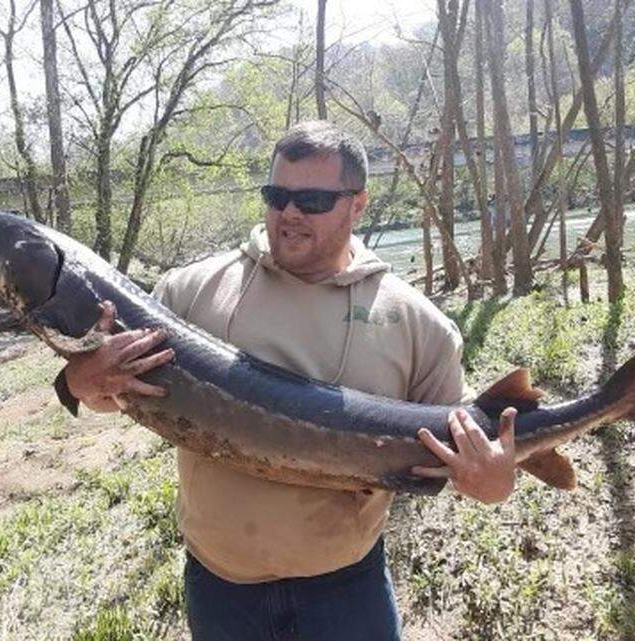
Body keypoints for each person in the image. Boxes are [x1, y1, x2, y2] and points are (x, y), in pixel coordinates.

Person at [58, 120, 518, 641]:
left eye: (314, 200)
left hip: (346, 592)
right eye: (277, 196)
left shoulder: (417, 323)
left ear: (357, 204)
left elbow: (465, 456)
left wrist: (496, 483)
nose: (290, 213)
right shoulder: (188, 291)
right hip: (220, 589)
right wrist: (80, 381)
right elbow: (118, 396)